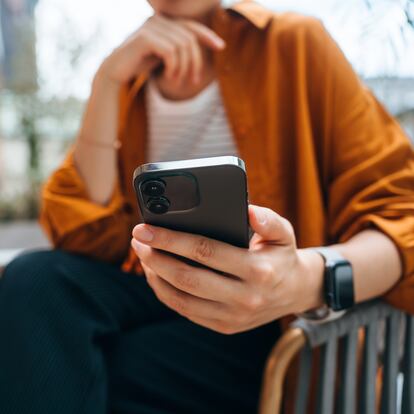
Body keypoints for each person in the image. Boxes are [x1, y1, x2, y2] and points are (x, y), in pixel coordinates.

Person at [1, 0, 413, 413]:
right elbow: (80, 237)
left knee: (85, 364)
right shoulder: (132, 76)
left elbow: (404, 216)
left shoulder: (293, 44)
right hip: (161, 295)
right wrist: (107, 80)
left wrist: (303, 280)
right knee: (33, 280)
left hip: (276, 322)